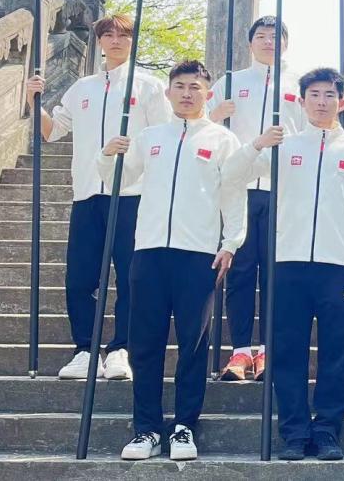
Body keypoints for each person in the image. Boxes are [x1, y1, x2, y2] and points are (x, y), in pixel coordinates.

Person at [225, 67, 344, 461]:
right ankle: (294, 433)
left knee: (336, 352)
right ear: (301, 101)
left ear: (342, 102)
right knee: (287, 351)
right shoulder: (284, 146)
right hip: (288, 262)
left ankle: (328, 429)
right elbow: (231, 175)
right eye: (314, 94)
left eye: (329, 95)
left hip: (339, 264)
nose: (321, 102)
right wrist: (258, 143)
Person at [97, 60, 246, 461]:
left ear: (207, 94)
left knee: (193, 345)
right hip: (148, 252)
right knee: (145, 344)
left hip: (199, 255)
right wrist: (108, 155)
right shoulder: (150, 137)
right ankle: (146, 428)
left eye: (195, 87)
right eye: (179, 86)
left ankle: (184, 426)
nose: (187, 93)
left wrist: (231, 242)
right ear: (168, 93)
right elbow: (119, 179)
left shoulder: (222, 140)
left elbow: (234, 193)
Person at [24, 14, 170, 381]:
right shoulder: (82, 88)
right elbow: (52, 131)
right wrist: (33, 101)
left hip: (133, 194)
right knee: (80, 278)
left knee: (131, 277)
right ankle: (84, 350)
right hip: (87, 193)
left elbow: (163, 140)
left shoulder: (150, 87)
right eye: (108, 35)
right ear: (99, 42)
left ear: (133, 40)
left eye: (123, 34)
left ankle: (121, 348)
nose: (116, 40)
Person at [209, 16, 306, 381]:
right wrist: (215, 115)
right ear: (250, 43)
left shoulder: (299, 84)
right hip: (240, 186)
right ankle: (240, 350)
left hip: (284, 188)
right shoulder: (230, 82)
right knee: (241, 269)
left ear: (286, 44)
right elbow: (201, 127)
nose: (268, 42)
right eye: (261, 36)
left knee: (275, 272)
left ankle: (266, 349)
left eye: (275, 37)